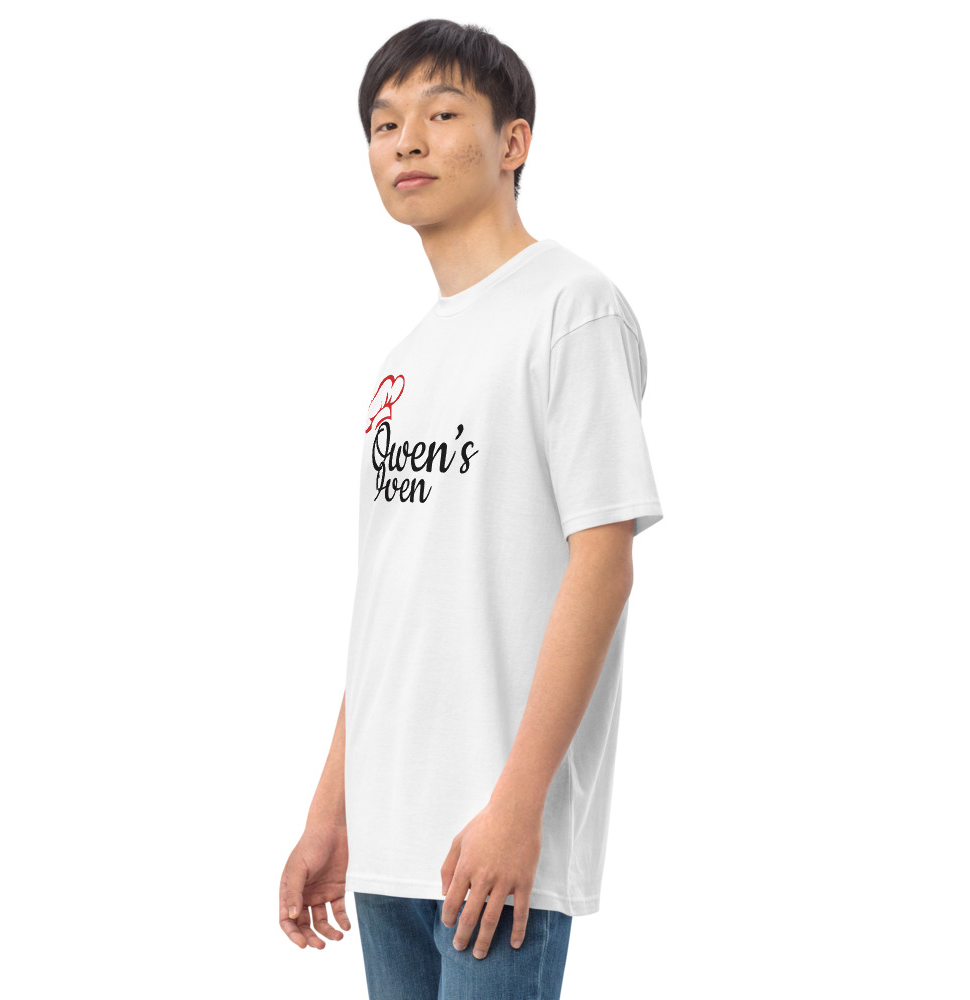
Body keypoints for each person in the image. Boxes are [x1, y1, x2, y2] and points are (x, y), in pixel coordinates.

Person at [279, 18, 664, 999]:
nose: (406, 141)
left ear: (513, 142)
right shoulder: (403, 360)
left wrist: (518, 808)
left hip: (491, 843)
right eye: (384, 124)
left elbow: (603, 561)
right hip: (389, 844)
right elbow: (390, 603)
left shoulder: (569, 307)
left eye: (442, 114)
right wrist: (333, 810)